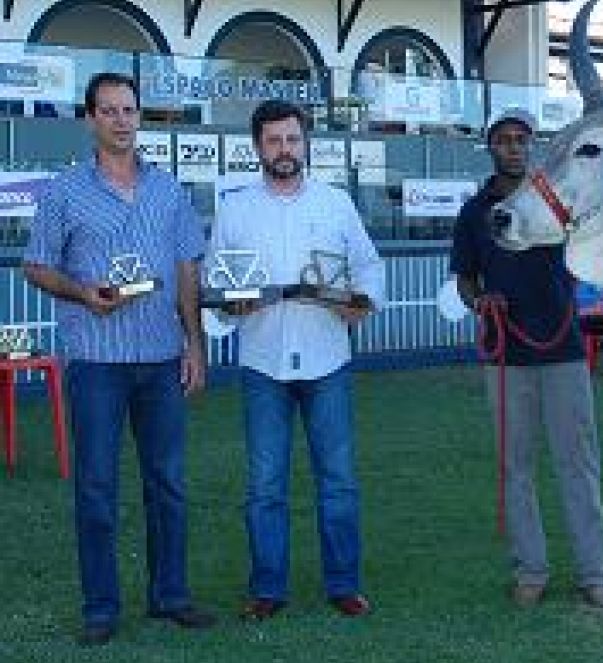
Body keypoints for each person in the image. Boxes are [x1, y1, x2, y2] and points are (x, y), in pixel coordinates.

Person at [22, 72, 214, 646]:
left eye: (129, 109)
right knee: (97, 486)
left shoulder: (168, 190)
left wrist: (195, 343)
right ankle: (101, 608)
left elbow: (186, 268)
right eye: (109, 110)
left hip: (159, 357)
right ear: (90, 119)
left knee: (169, 484)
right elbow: (35, 265)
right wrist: (82, 293)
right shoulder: (62, 192)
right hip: (97, 360)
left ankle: (171, 596)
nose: (122, 119)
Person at [209, 99, 383, 621]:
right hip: (264, 362)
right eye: (273, 141)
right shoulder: (235, 208)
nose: (284, 150)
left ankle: (344, 585)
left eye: (292, 140)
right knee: (265, 485)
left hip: (327, 358)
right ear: (257, 147)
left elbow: (369, 269)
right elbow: (217, 282)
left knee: (338, 480)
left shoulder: (336, 204)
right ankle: (267, 589)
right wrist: (228, 306)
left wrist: (360, 304)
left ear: (306, 144)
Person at [450, 109, 603, 608]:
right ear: (491, 148)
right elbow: (465, 277)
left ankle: (594, 573)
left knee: (578, 463)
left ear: (532, 147)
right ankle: (531, 570)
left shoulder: (557, 203)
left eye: (522, 139)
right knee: (515, 466)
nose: (514, 147)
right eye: (504, 140)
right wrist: (479, 301)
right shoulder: (474, 213)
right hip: (506, 358)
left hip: (562, 350)